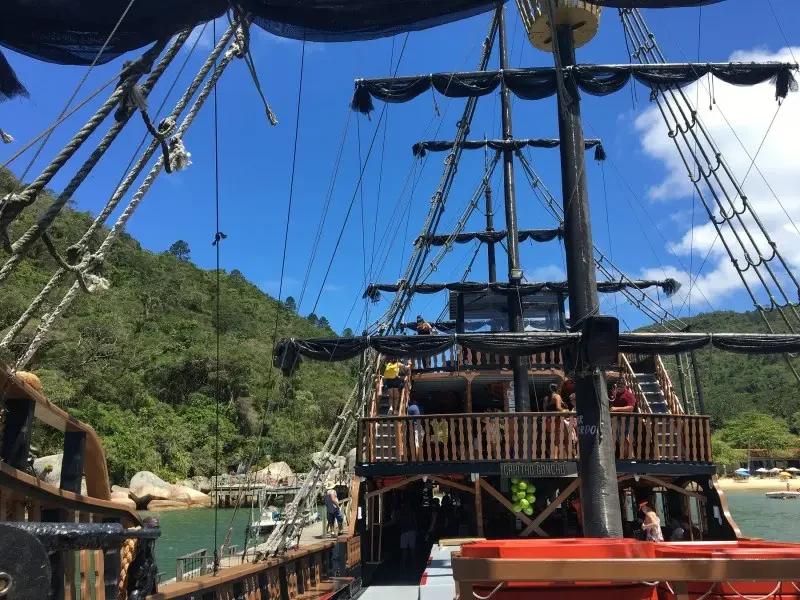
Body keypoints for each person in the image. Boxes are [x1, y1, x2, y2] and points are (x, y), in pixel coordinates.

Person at [611, 380, 636, 459]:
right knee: (620, 438)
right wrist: (614, 396)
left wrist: (617, 409)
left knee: (625, 436)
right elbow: (612, 407)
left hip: (626, 419)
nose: (619, 388)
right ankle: (625, 456)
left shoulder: (629, 394)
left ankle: (630, 456)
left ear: (625, 386)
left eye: (621, 387)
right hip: (617, 419)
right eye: (618, 386)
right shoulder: (617, 395)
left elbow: (631, 407)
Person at [397, 498, 418, 573]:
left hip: (404, 532)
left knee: (404, 549)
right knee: (412, 549)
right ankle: (413, 565)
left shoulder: (399, 511)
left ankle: (403, 566)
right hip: (412, 531)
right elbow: (414, 521)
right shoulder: (411, 510)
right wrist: (416, 530)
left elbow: (395, 520)